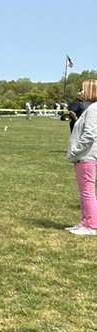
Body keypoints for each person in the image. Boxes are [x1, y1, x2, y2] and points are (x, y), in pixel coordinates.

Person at [66, 79, 97, 235]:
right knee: (84, 190)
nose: (81, 93)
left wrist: (75, 151)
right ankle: (84, 222)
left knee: (87, 191)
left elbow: (89, 135)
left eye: (83, 90)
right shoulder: (90, 108)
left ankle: (91, 225)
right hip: (83, 156)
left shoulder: (93, 109)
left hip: (86, 156)